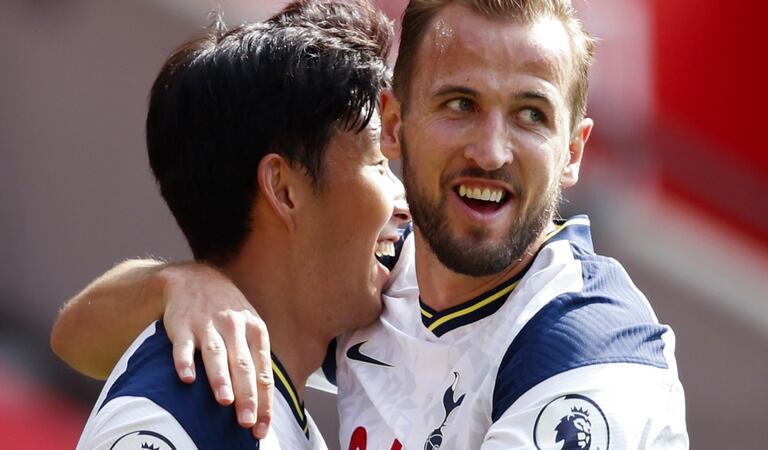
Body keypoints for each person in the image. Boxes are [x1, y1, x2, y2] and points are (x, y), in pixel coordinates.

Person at [54, 0, 689, 448]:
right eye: (460, 104)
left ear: (574, 150)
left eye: (530, 115)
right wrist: (179, 284)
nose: (492, 151)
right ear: (395, 122)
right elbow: (75, 339)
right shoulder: (371, 289)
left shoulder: (588, 355)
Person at [69, 1, 408, 448]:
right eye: (378, 164)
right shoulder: (176, 415)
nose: (404, 206)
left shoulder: (262, 405)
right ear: (284, 189)